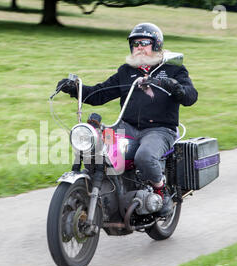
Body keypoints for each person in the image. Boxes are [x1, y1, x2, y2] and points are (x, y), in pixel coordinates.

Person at [56, 23, 198, 216]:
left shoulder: (173, 69)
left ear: (156, 45)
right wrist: (75, 89)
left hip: (160, 130)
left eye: (144, 43)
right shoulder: (127, 71)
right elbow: (100, 94)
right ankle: (100, 195)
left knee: (145, 156)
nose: (139, 47)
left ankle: (160, 190)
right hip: (127, 127)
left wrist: (175, 87)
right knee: (96, 148)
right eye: (135, 43)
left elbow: (191, 96)